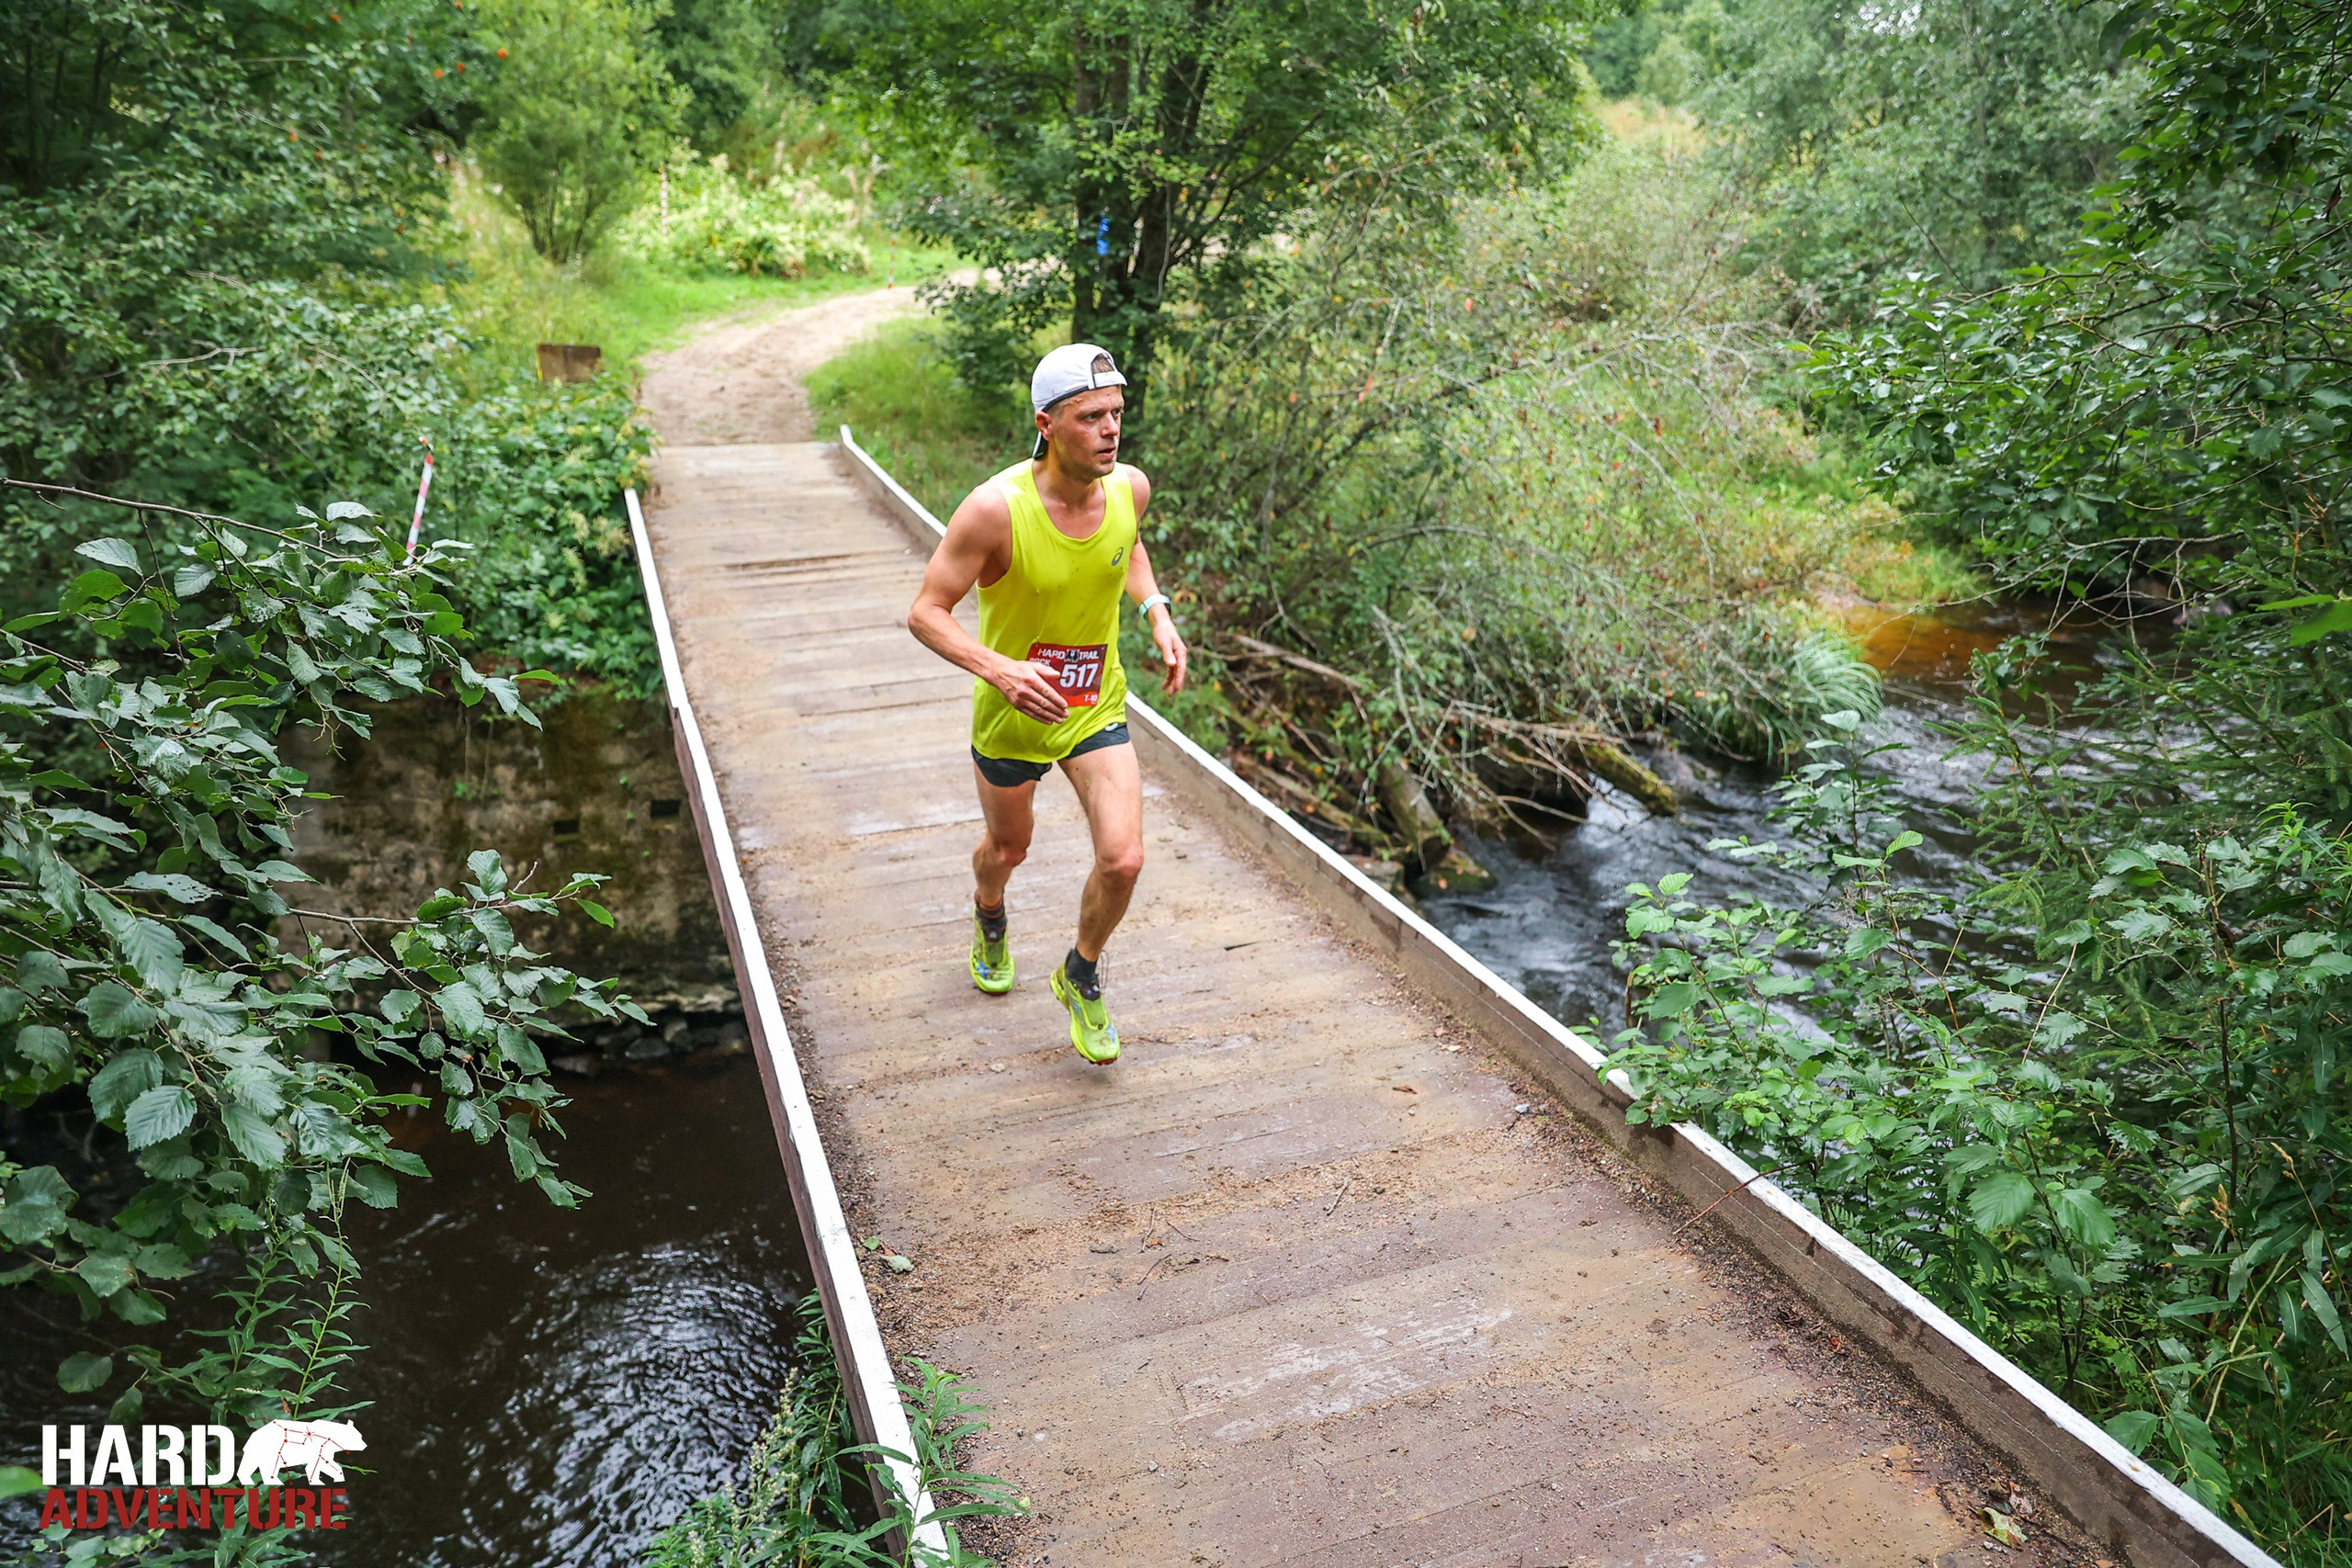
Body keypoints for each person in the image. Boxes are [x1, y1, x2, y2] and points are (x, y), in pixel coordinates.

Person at [905, 344, 1188, 1065]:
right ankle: (989, 911)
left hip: (1095, 704)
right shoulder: (995, 510)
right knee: (1010, 848)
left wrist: (1154, 609)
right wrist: (999, 669)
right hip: (1014, 712)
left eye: (1116, 414)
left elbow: (1127, 546)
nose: (1110, 430)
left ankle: (1081, 972)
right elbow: (926, 612)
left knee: (1123, 859)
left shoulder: (1130, 488)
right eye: (1091, 416)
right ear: (1047, 423)